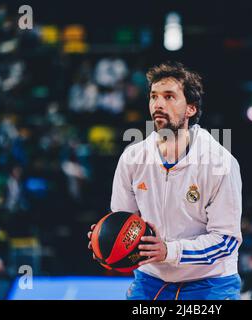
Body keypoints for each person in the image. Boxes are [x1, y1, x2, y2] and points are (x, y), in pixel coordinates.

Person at [88, 61, 243, 300]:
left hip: (210, 283)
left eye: (169, 97)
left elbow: (226, 242)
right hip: (151, 281)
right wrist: (107, 240)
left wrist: (169, 251)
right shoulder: (132, 158)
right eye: (154, 97)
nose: (158, 104)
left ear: (190, 108)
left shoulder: (220, 162)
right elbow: (124, 222)